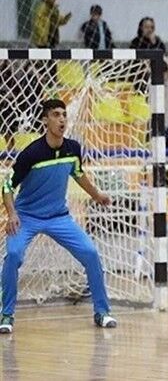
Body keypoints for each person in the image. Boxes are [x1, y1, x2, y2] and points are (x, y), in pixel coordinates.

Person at [1, 99, 116, 334]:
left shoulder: (73, 148)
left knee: (91, 254)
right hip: (26, 217)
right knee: (12, 255)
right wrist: (12, 214)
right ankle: (6, 314)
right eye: (56, 115)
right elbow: (7, 186)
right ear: (45, 120)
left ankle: (102, 312)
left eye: (64, 114)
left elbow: (78, 174)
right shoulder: (31, 153)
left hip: (59, 217)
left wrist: (97, 195)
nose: (62, 119)